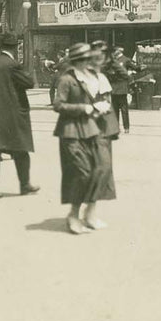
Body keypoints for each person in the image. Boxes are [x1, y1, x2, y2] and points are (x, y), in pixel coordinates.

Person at [52, 43, 116, 234]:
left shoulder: (94, 76)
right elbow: (58, 105)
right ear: (77, 61)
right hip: (71, 130)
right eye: (84, 59)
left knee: (101, 169)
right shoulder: (67, 79)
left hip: (92, 128)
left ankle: (89, 213)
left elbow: (100, 97)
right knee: (82, 172)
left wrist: (102, 106)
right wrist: (83, 108)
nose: (88, 62)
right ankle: (73, 214)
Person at [0, 31, 40, 200]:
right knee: (21, 149)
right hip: (13, 114)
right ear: (15, 47)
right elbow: (29, 83)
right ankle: (25, 185)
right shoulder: (12, 65)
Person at [105, 47, 137, 135]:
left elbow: (134, 67)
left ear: (119, 51)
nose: (113, 53)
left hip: (122, 88)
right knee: (115, 109)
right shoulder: (112, 61)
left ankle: (126, 127)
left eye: (114, 51)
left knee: (124, 109)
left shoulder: (125, 60)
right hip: (114, 88)